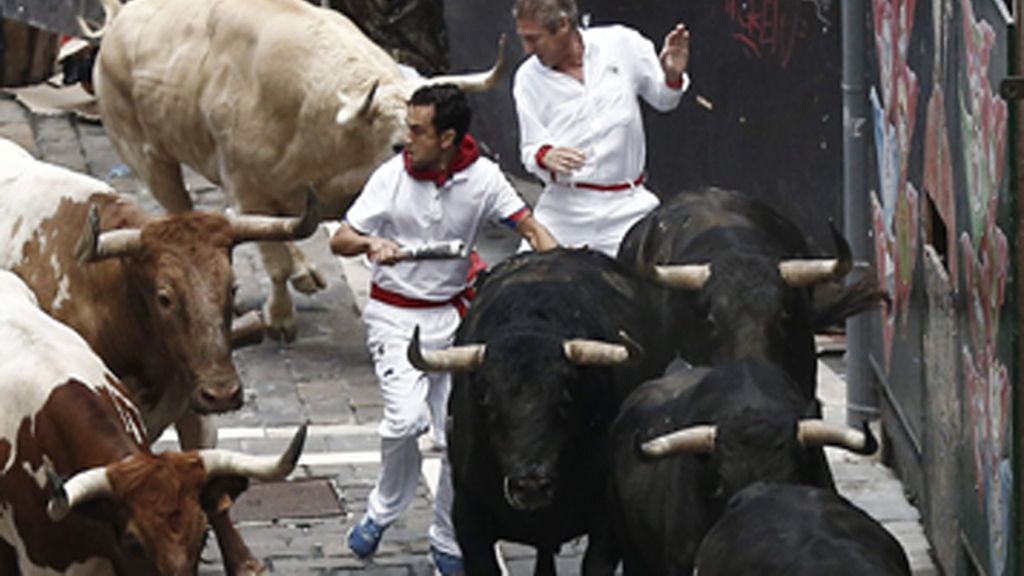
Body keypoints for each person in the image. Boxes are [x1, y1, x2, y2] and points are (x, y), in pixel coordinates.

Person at [329, 83, 558, 575]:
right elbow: (341, 238)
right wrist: (371, 244)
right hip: (395, 315)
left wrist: (560, 268)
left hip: (454, 318)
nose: (406, 138)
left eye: (417, 129)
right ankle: (382, 509)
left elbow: (530, 227)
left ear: (449, 137)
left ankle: (446, 542)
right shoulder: (390, 177)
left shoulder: (484, 179)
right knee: (405, 421)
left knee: (460, 438)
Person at [512, 0, 691, 257]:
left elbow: (665, 100)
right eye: (524, 39)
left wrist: (672, 76)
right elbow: (530, 149)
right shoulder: (527, 78)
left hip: (628, 209)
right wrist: (544, 155)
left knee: (658, 285)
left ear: (563, 26)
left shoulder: (622, 44)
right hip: (563, 211)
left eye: (534, 39)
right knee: (519, 285)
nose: (527, 49)